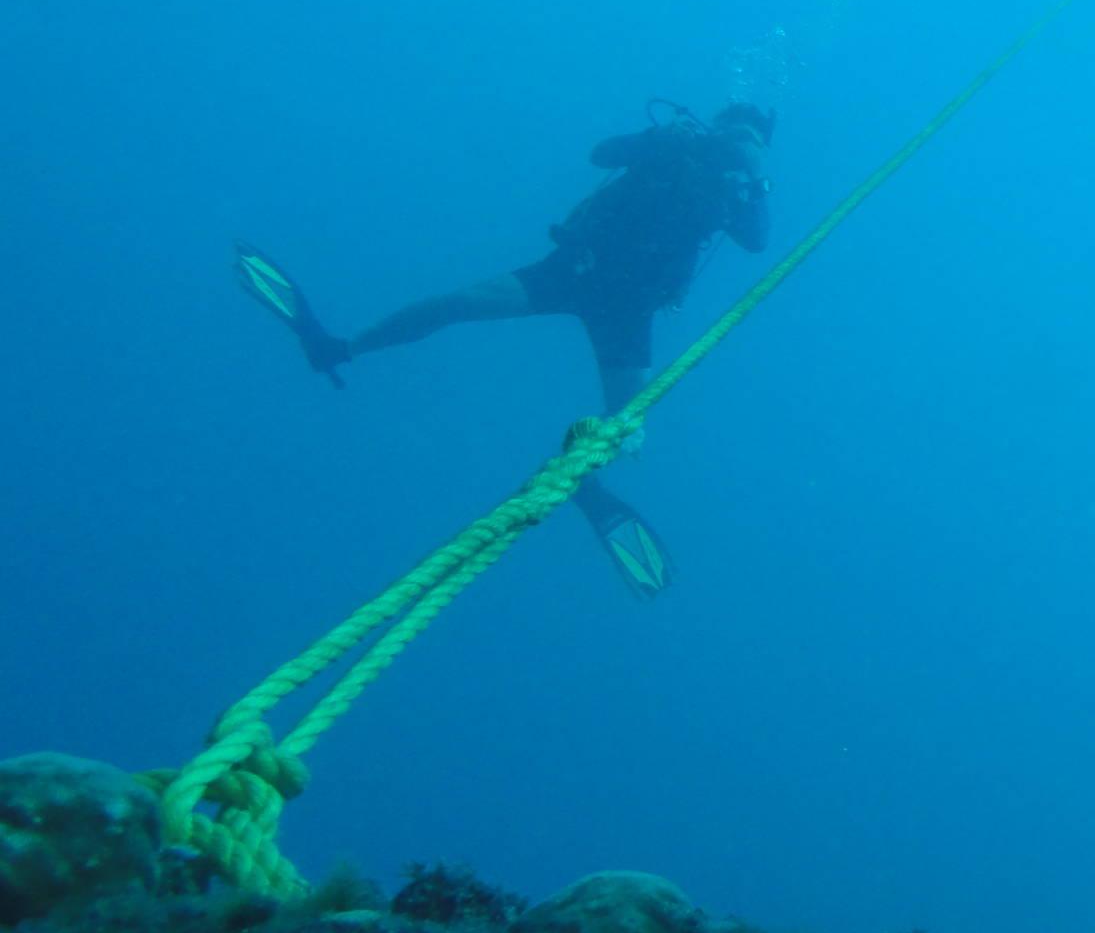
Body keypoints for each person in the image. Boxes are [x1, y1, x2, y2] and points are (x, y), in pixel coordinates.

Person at [235, 101, 777, 595]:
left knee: (630, 428)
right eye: (737, 127)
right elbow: (601, 154)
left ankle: (581, 478)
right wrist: (659, 141)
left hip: (630, 310)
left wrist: (752, 178)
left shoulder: (735, 188)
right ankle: (339, 348)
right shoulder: (675, 145)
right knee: (456, 303)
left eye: (753, 135)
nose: (741, 138)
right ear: (719, 122)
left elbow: (756, 242)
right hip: (572, 271)